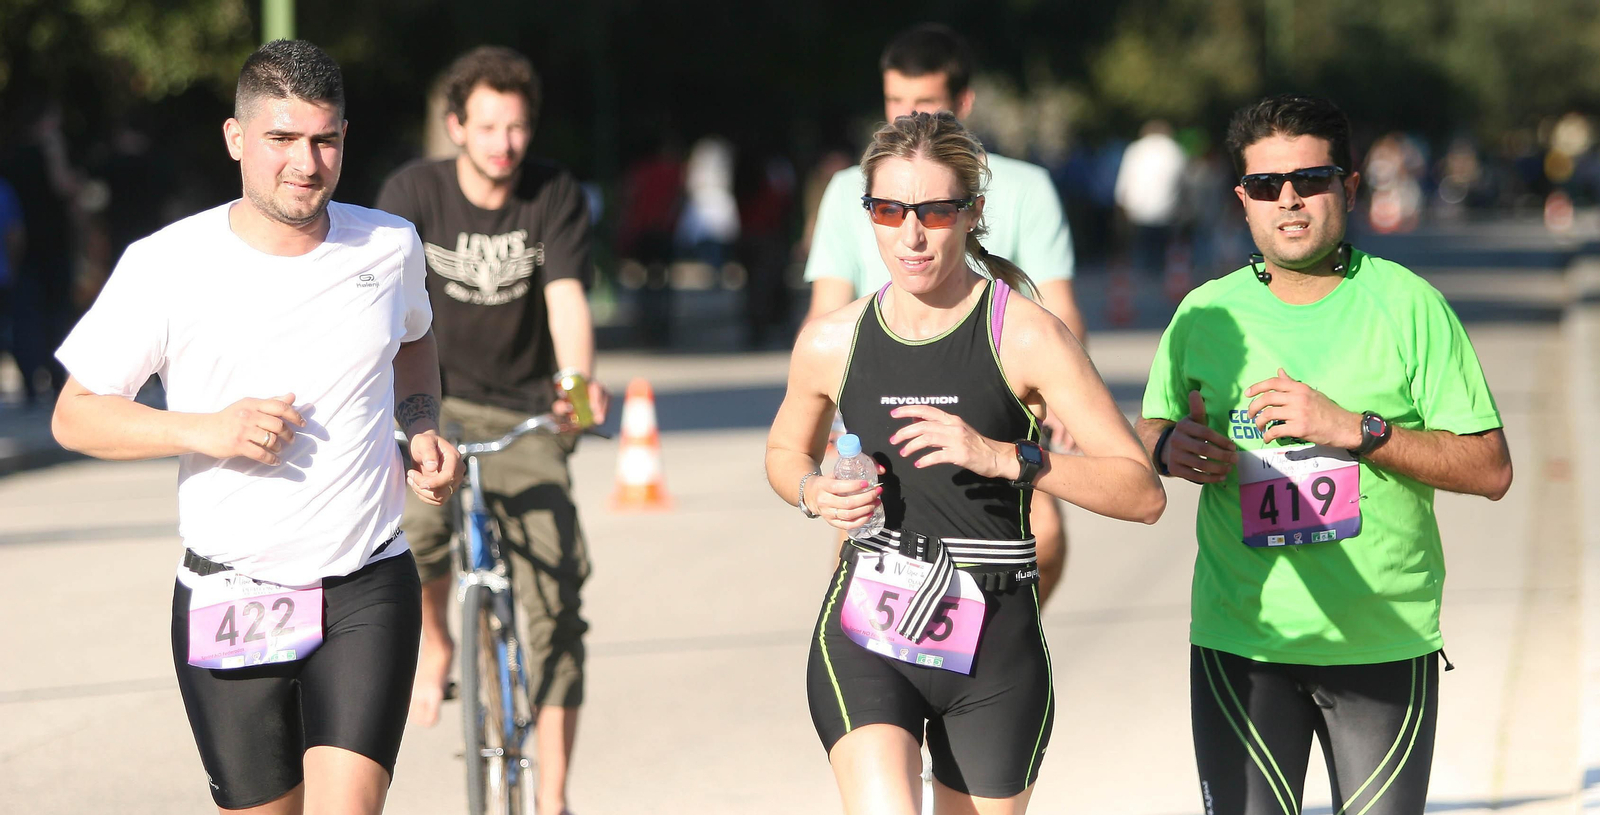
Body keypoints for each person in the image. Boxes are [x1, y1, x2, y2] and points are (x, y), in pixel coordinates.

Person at [50, 40, 460, 814]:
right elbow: (75, 415)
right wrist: (205, 430)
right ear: (237, 138)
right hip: (230, 592)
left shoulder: (388, 245)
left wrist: (422, 426)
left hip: (366, 581)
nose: (306, 163)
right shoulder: (167, 264)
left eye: (325, 139)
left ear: (344, 137)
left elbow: (414, 339)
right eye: (282, 138)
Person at [767, 111, 1165, 815]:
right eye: (889, 211)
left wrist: (1007, 457)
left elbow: (1142, 492)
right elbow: (783, 451)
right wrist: (811, 490)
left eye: (934, 211)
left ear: (973, 212)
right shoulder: (832, 340)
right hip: (869, 628)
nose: (911, 235)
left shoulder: (1027, 335)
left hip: (996, 639)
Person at [1136, 94, 1513, 815]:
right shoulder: (1204, 313)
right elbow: (1148, 424)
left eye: (1310, 179)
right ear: (1241, 200)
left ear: (1350, 187)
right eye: (1265, 184)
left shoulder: (1410, 306)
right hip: (1243, 641)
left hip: (1381, 639)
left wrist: (1354, 428)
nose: (1288, 199)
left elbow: (1490, 468)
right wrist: (1165, 447)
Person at [376, 45, 607, 815]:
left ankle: (554, 795)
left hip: (522, 411)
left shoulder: (553, 193)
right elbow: (382, 307)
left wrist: (576, 388)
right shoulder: (412, 192)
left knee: (556, 596)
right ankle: (439, 637)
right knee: (414, 534)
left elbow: (566, 298)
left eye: (516, 127)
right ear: (455, 127)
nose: (503, 143)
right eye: (486, 127)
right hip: (430, 404)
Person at [803, 22, 1083, 604]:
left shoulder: (1027, 187)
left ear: (963, 102)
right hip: (878, 392)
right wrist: (823, 409)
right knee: (863, 547)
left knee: (1047, 539)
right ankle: (882, 642)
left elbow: (1059, 308)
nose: (908, 116)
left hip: (997, 397)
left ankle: (990, 631)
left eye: (925, 101)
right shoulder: (847, 189)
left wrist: (1062, 400)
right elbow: (825, 312)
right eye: (895, 101)